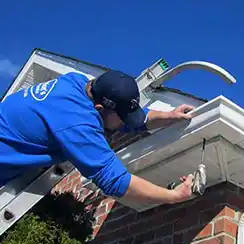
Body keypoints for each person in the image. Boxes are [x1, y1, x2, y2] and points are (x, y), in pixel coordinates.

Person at [0, 69, 195, 205]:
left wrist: (169, 116)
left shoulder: (77, 82)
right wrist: (175, 195)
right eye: (122, 118)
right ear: (99, 109)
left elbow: (131, 119)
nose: (124, 124)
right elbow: (115, 181)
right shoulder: (76, 122)